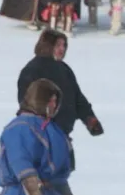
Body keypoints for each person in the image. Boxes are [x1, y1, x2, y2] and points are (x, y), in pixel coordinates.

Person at [18, 30, 103, 167]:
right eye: (58, 45)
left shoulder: (64, 69)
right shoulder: (32, 70)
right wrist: (42, 127)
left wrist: (90, 119)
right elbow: (26, 104)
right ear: (47, 45)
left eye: (64, 45)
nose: (62, 49)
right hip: (40, 139)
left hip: (62, 136)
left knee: (60, 179)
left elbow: (78, 99)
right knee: (49, 183)